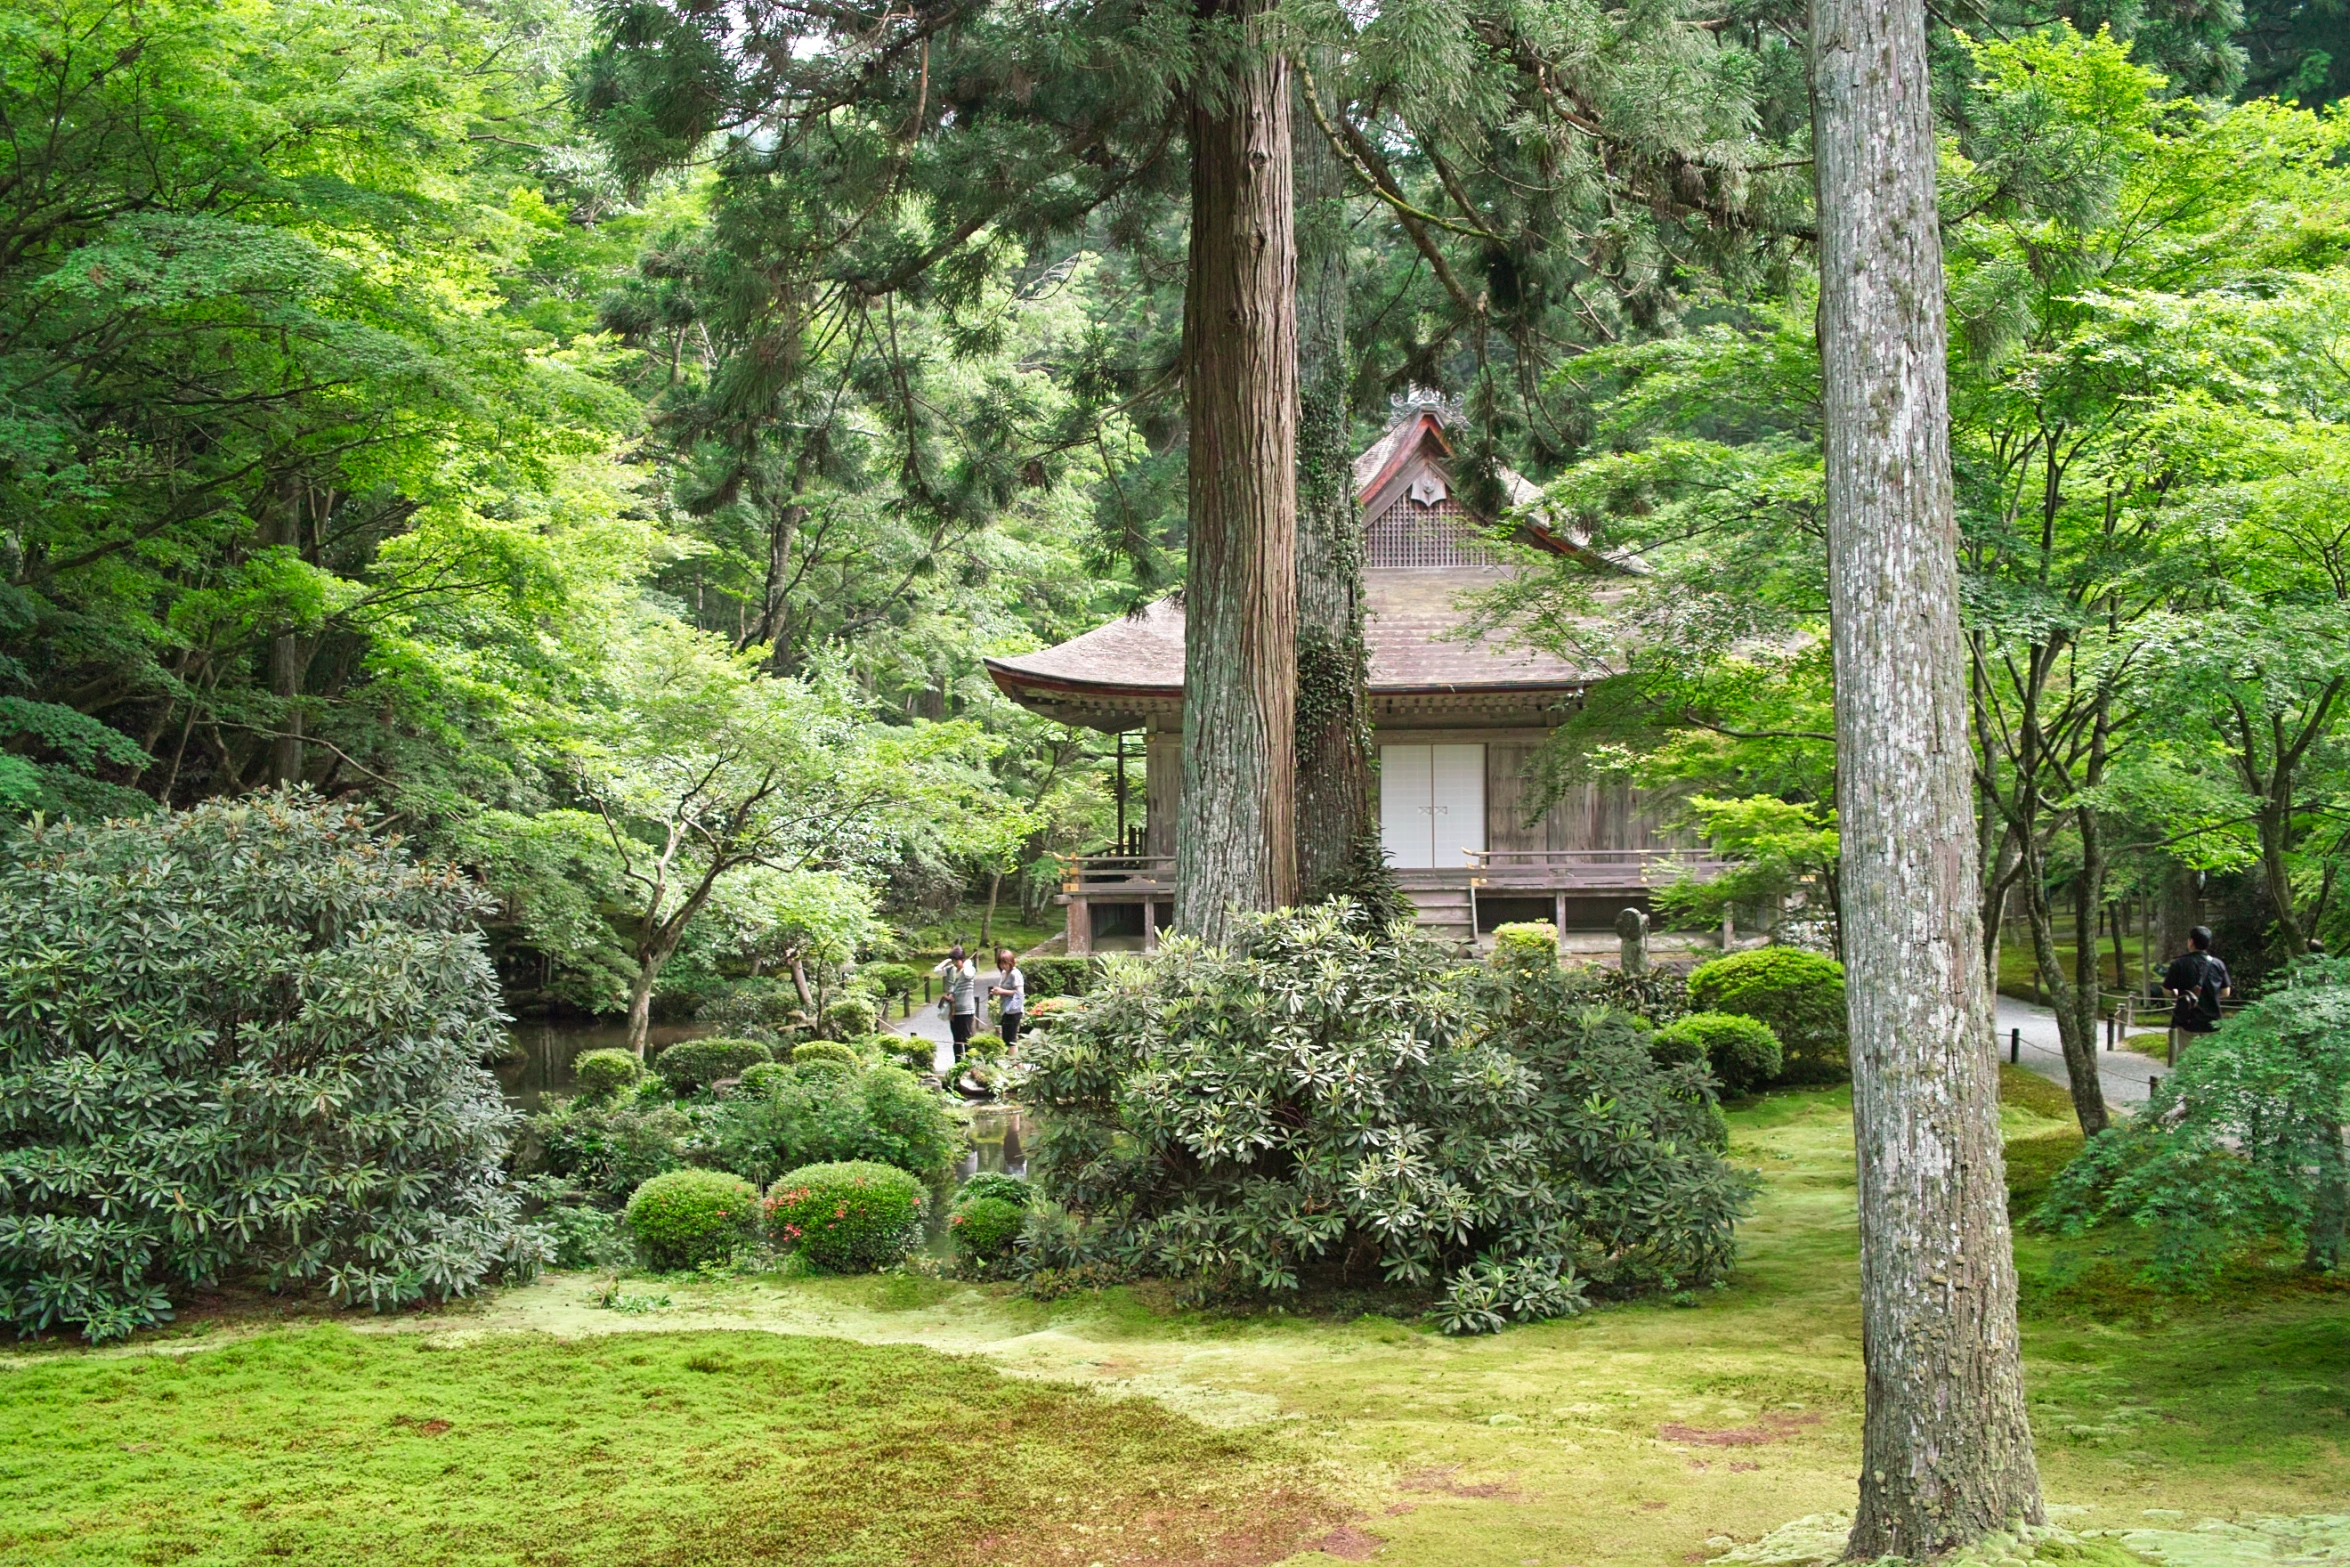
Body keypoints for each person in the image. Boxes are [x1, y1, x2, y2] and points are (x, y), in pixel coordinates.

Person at [2162, 925, 2230, 1064]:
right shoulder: (2218, 964)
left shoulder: (2179, 963)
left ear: (2191, 942)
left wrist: (2176, 994)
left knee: (2186, 1062)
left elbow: (2167, 990)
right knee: (2210, 1063)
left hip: (2187, 1020)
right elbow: (2226, 992)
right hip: (2212, 1021)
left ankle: (2187, 1085)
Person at [933, 944, 978, 1062]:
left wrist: (968, 963)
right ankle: (958, 1062)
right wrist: (947, 960)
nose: (954, 963)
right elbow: (937, 971)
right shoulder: (951, 969)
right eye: (953, 960)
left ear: (961, 959)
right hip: (953, 1011)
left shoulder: (969, 969)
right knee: (956, 1038)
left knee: (968, 1038)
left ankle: (969, 1062)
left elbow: (968, 974)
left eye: (956, 960)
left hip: (966, 1010)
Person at [987, 946, 1026, 1047]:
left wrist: (1002, 991)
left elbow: (1019, 993)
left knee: (1011, 1039)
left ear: (1011, 962)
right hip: (1005, 1009)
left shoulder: (1015, 974)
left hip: (1014, 1010)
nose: (1003, 966)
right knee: (1005, 1038)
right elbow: (1003, 989)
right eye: (1001, 963)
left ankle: (1014, 1061)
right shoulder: (1004, 973)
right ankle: (1010, 1060)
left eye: (1005, 963)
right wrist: (997, 991)